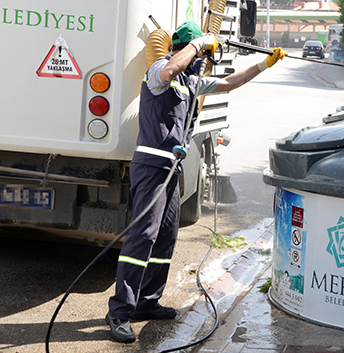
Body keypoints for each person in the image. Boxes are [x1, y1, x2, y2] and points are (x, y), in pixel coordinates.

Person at [105, 21, 286, 343]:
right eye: (201, 52)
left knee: (164, 237)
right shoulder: (161, 70)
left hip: (171, 168)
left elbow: (231, 83)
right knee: (142, 238)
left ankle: (146, 302)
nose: (204, 58)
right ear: (187, 48)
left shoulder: (191, 83)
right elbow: (167, 71)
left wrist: (263, 63)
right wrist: (199, 43)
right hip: (150, 165)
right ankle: (119, 311)